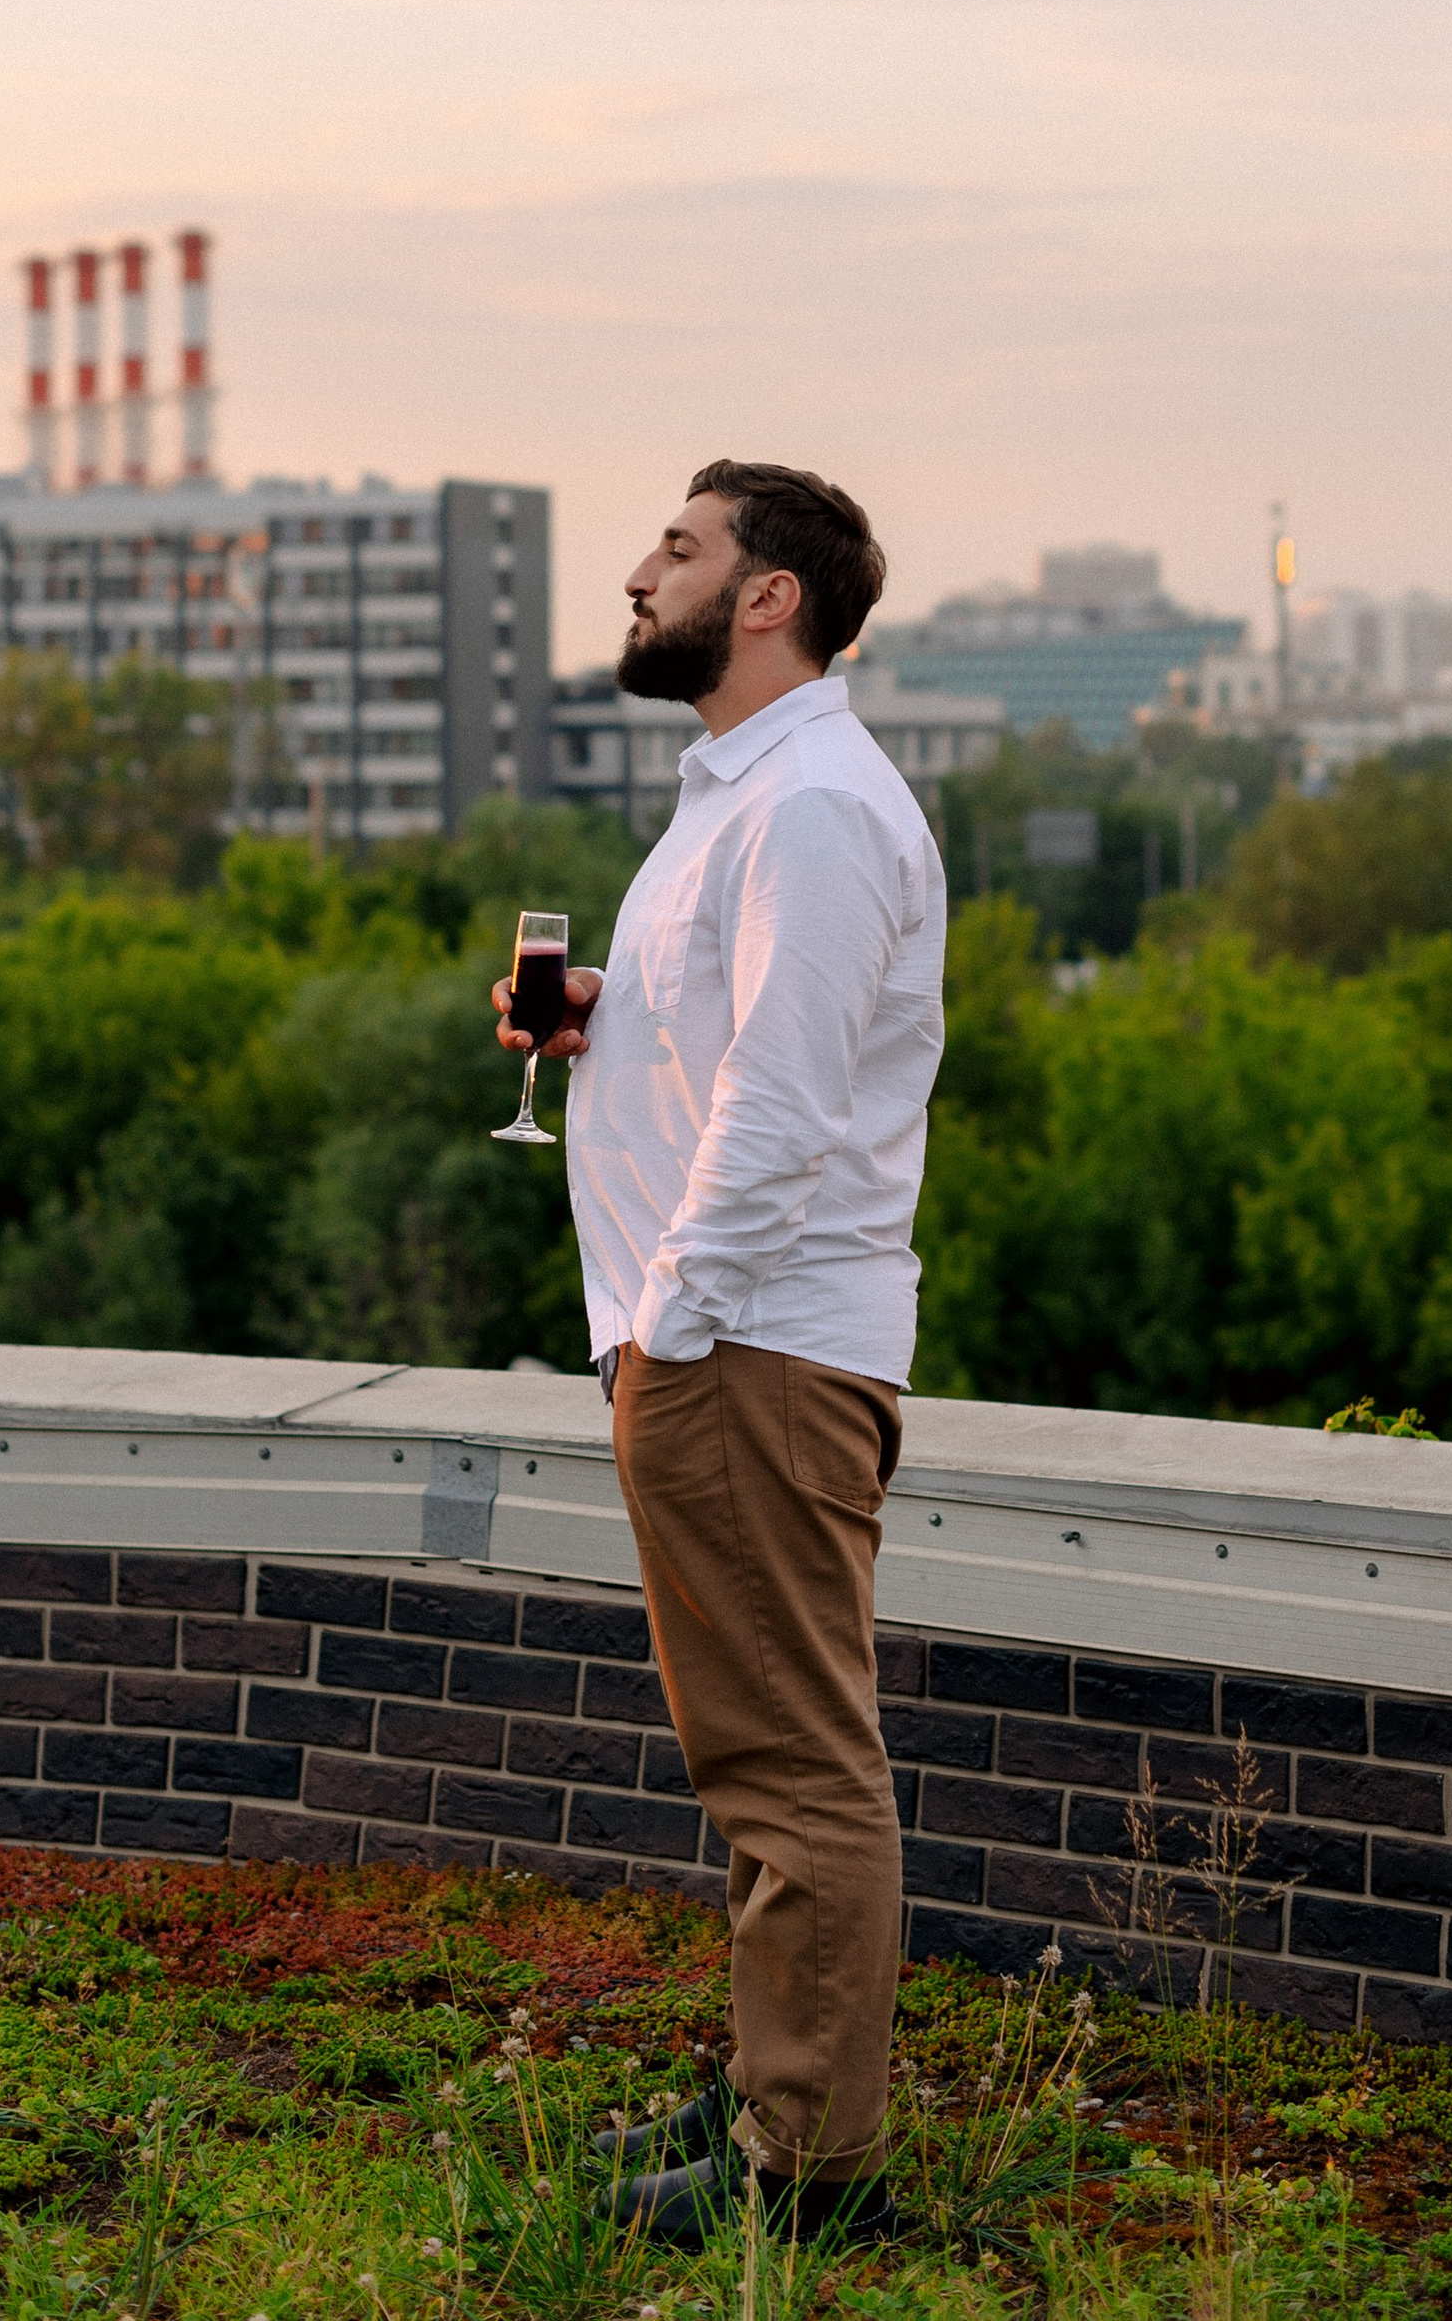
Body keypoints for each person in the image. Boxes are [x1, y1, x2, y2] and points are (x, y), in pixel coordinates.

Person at [493, 458, 945, 2246]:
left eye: (676, 549)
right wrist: (607, 1020)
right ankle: (781, 2084)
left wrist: (675, 1329)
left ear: (768, 596)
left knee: (792, 1759)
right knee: (752, 1749)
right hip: (713, 1335)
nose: (638, 573)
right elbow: (731, 1045)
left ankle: (806, 2166)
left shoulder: (817, 804)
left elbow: (783, 1101)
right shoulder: (749, 795)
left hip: (746, 1344)